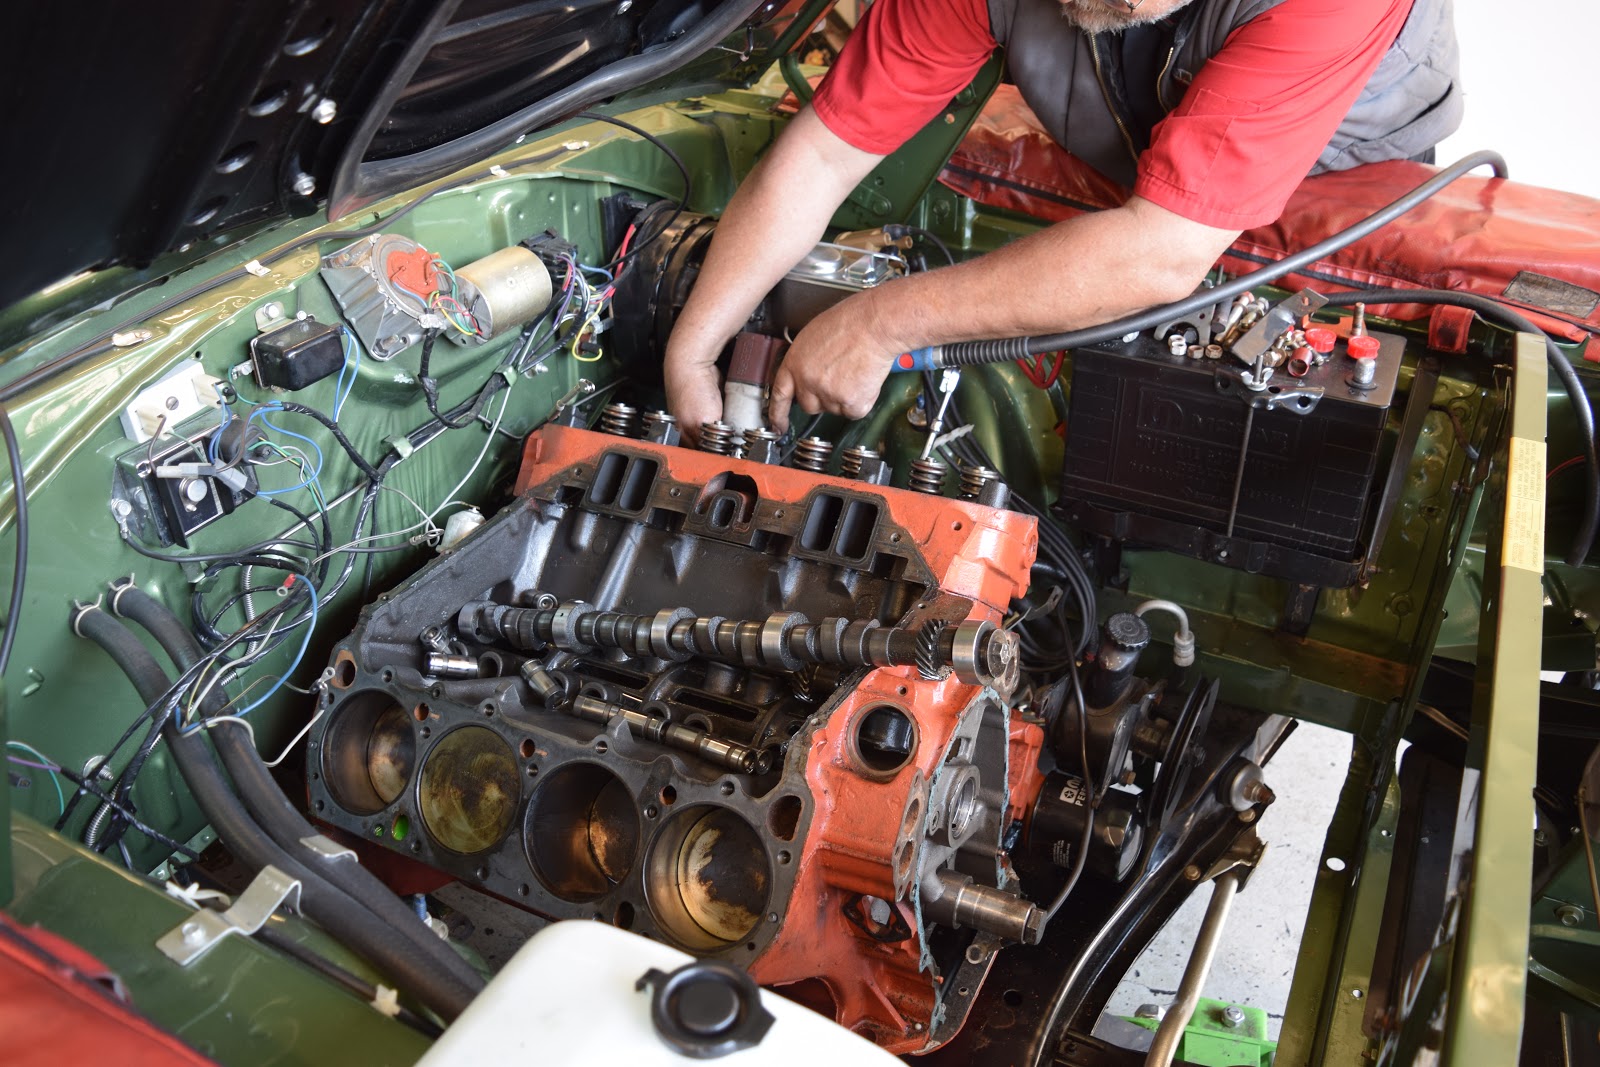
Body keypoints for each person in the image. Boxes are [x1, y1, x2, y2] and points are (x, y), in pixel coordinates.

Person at [663, 0, 1460, 435]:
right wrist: (694, 349)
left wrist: (879, 325)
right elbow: (827, 152)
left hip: (1339, 156)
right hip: (1126, 129)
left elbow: (1161, 253)